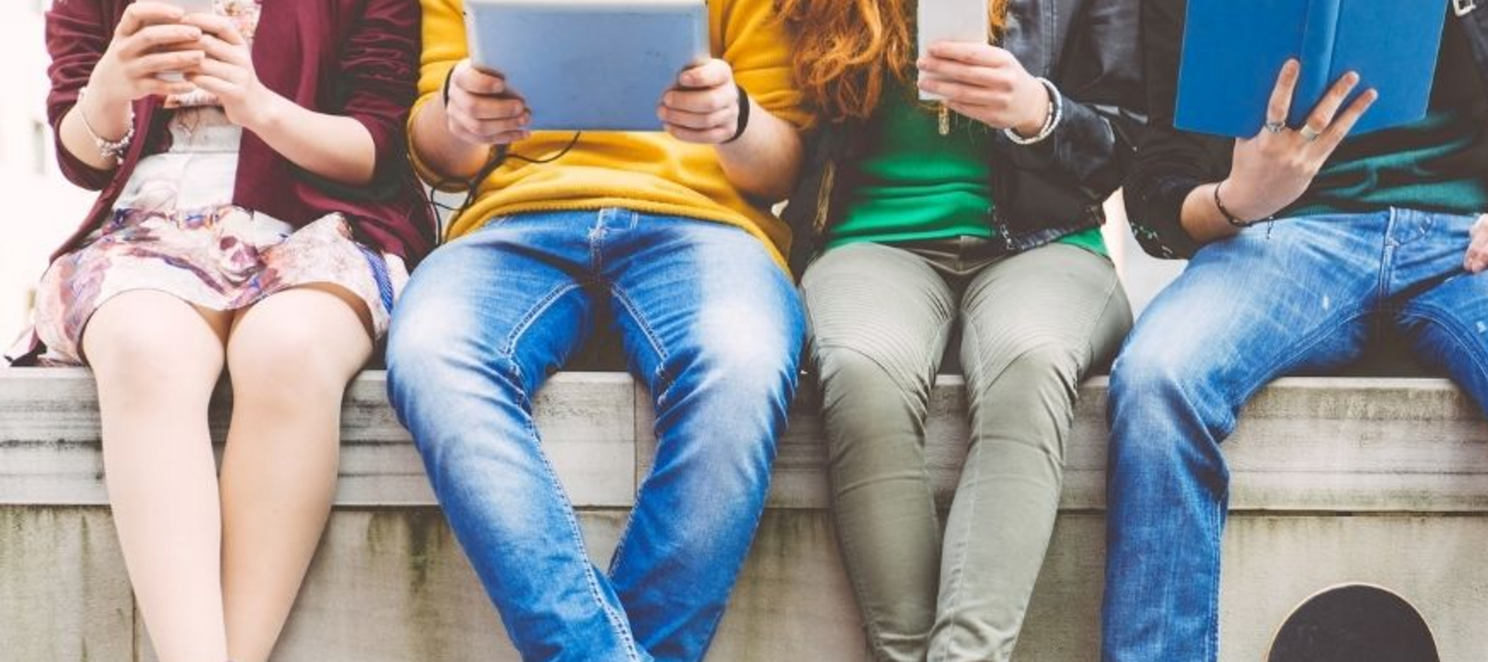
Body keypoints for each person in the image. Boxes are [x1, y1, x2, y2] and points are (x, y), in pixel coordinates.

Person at [1104, 0, 1488, 660]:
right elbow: (1157, 185)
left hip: (1486, 236)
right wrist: (1237, 199)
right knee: (1156, 381)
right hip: (1281, 239)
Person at [384, 1, 810, 660]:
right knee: (431, 353)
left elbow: (782, 168)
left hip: (706, 222)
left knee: (741, 366)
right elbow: (437, 157)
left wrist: (736, 121)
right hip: (515, 219)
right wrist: (458, 112)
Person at [17, 1, 431, 661]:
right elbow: (82, 159)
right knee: (143, 349)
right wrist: (111, 86)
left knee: (289, 348)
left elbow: (377, 147)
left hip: (317, 218)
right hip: (148, 223)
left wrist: (257, 105)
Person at [777, 0, 1141, 660]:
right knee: (862, 371)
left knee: (1030, 363)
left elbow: (1129, 147)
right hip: (870, 236)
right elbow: (782, 133)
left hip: (1046, 241)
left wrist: (1039, 113)